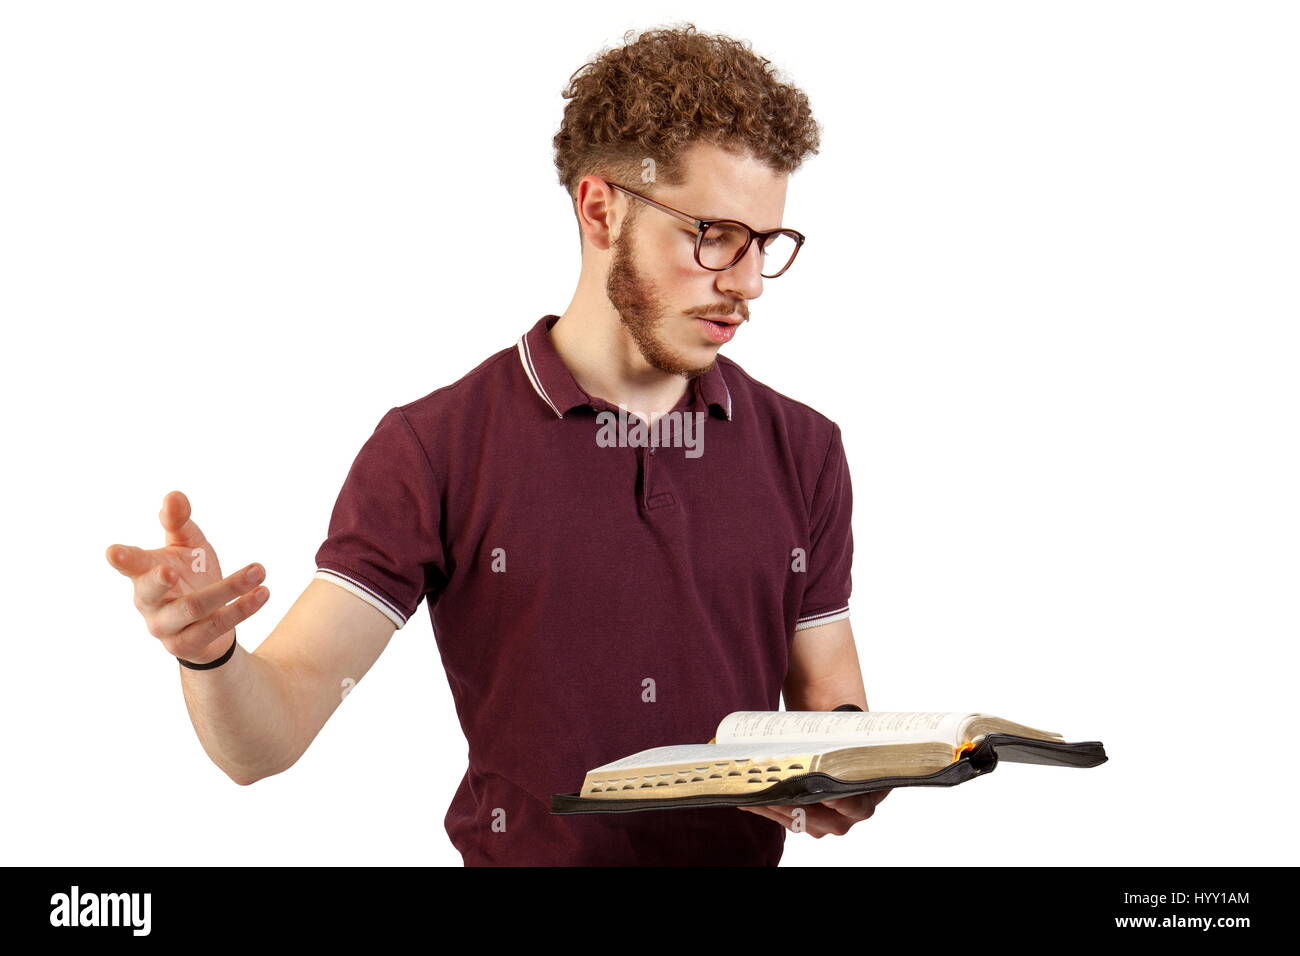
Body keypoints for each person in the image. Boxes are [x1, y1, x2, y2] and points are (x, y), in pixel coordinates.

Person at [105, 23, 889, 866]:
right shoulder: (436, 448)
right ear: (600, 208)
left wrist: (852, 774)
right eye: (715, 236)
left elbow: (829, 701)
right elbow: (268, 740)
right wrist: (210, 654)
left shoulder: (805, 448)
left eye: (765, 243)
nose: (745, 283)